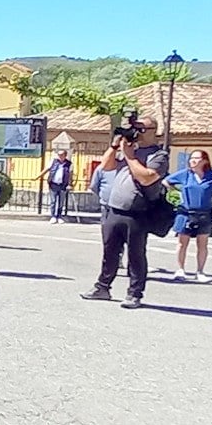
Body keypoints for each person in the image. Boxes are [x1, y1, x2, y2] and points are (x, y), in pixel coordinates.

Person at [80, 116, 168, 309]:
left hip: (138, 212)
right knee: (109, 252)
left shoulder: (159, 156)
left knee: (136, 255)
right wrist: (114, 146)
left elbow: (147, 178)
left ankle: (134, 294)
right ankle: (102, 287)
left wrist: (129, 156)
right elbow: (106, 167)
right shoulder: (129, 150)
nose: (137, 132)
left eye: (141, 129)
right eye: (135, 128)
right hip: (114, 210)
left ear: (154, 131)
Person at [165, 150, 212, 282]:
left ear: (205, 161)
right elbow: (166, 181)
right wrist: (177, 192)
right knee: (182, 243)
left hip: (204, 213)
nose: (193, 161)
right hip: (186, 212)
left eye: (196, 158)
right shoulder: (185, 175)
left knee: (202, 244)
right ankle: (180, 270)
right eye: (191, 158)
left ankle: (200, 271)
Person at [45, 149, 74, 224]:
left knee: (61, 202)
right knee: (53, 201)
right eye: (59, 155)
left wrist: (70, 184)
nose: (60, 156)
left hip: (63, 185)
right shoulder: (53, 162)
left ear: (65, 155)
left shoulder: (69, 164)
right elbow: (47, 169)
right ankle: (53, 216)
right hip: (53, 184)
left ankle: (59, 216)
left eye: (61, 155)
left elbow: (70, 175)